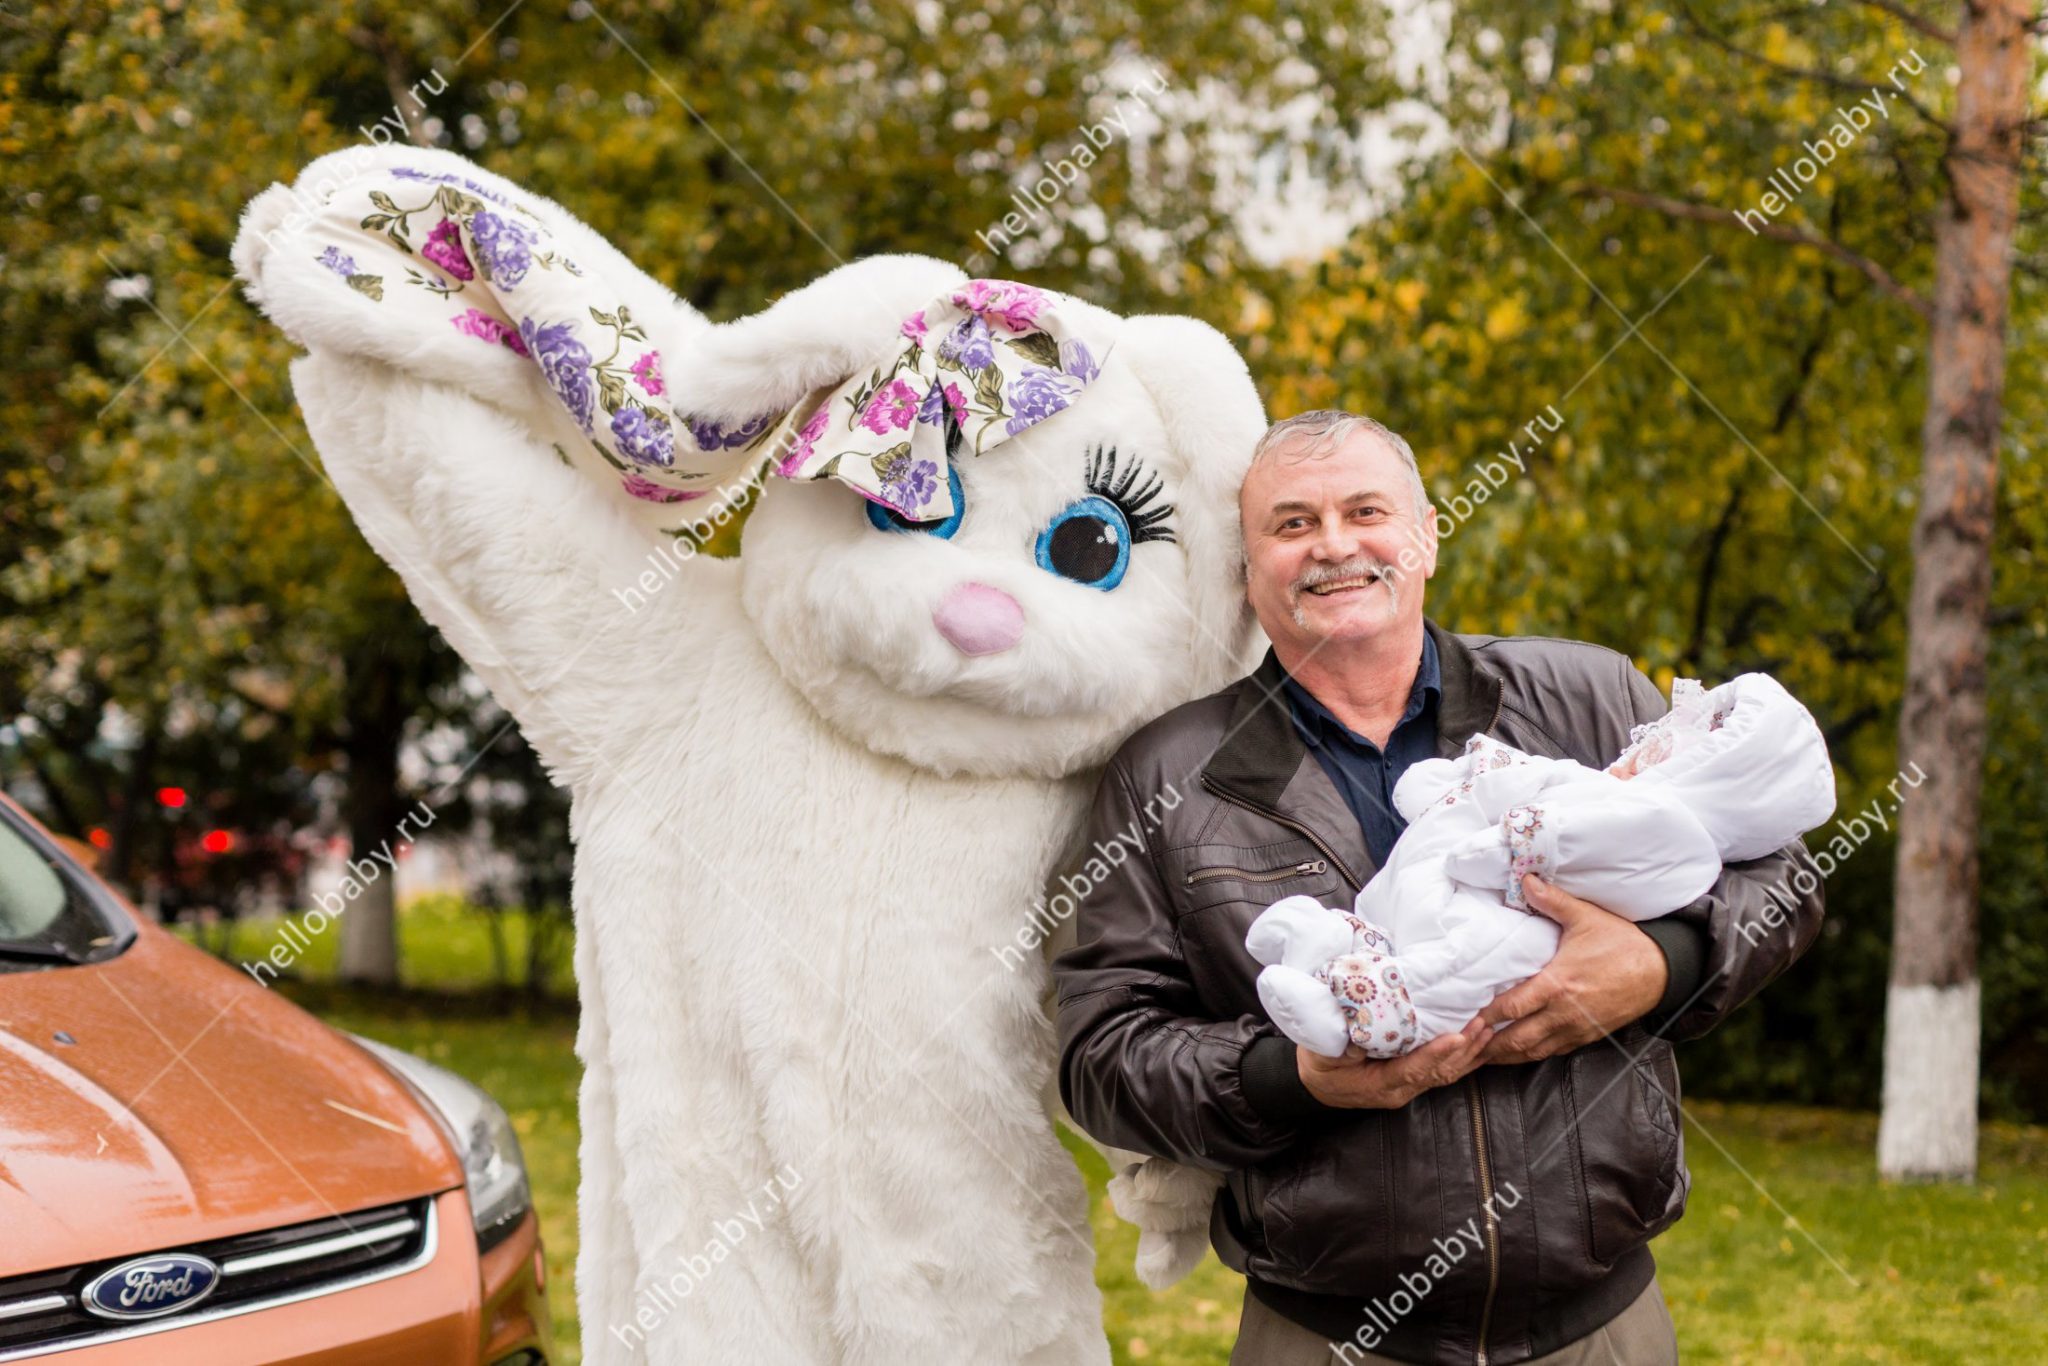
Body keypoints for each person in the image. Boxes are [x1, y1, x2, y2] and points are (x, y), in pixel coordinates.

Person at [1053, 410, 1823, 1364]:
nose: (1334, 544)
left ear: (1423, 538)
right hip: (1322, 1331)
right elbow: (1101, 1051)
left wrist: (1663, 963)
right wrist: (1288, 1077)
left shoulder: (1586, 697)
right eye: (1291, 525)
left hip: (1603, 1325)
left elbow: (1782, 877)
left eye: (1366, 510)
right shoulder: (1166, 776)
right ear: (1247, 573)